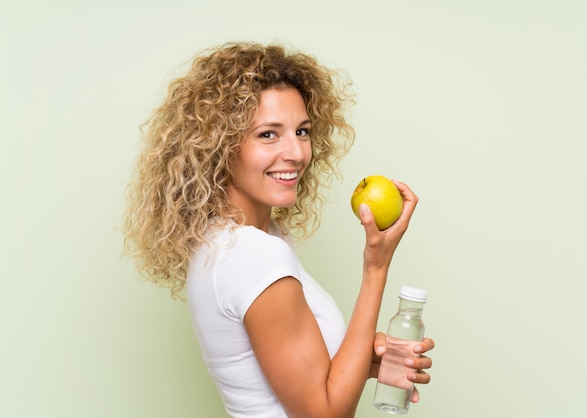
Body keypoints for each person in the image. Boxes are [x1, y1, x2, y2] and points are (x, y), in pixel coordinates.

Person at [123, 41, 434, 418]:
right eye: (268, 134)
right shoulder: (255, 255)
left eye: (302, 131)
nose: (297, 152)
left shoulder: (234, 240)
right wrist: (376, 266)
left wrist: (365, 356)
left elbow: (291, 378)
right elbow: (323, 414)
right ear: (219, 146)